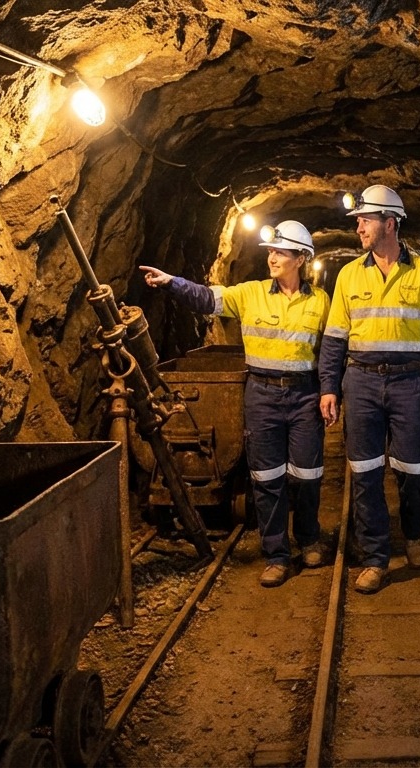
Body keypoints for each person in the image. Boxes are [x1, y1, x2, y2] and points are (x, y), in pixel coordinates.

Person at [139, 220, 330, 588]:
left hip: (304, 393)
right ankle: (276, 555)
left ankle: (308, 540)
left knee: (307, 474)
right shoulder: (251, 293)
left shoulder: (320, 302)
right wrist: (172, 283)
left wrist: (330, 392)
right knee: (267, 476)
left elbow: (333, 350)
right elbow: (208, 298)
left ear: (301, 258)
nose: (272, 258)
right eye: (271, 252)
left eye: (280, 252)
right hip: (261, 392)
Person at [319, 185, 420, 594]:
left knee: (414, 469)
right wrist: (329, 388)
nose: (358, 226)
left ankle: (413, 533)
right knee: (364, 472)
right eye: (358, 220)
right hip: (359, 380)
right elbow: (334, 339)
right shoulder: (348, 274)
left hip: (410, 381)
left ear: (389, 223)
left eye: (365, 219)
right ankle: (375, 557)